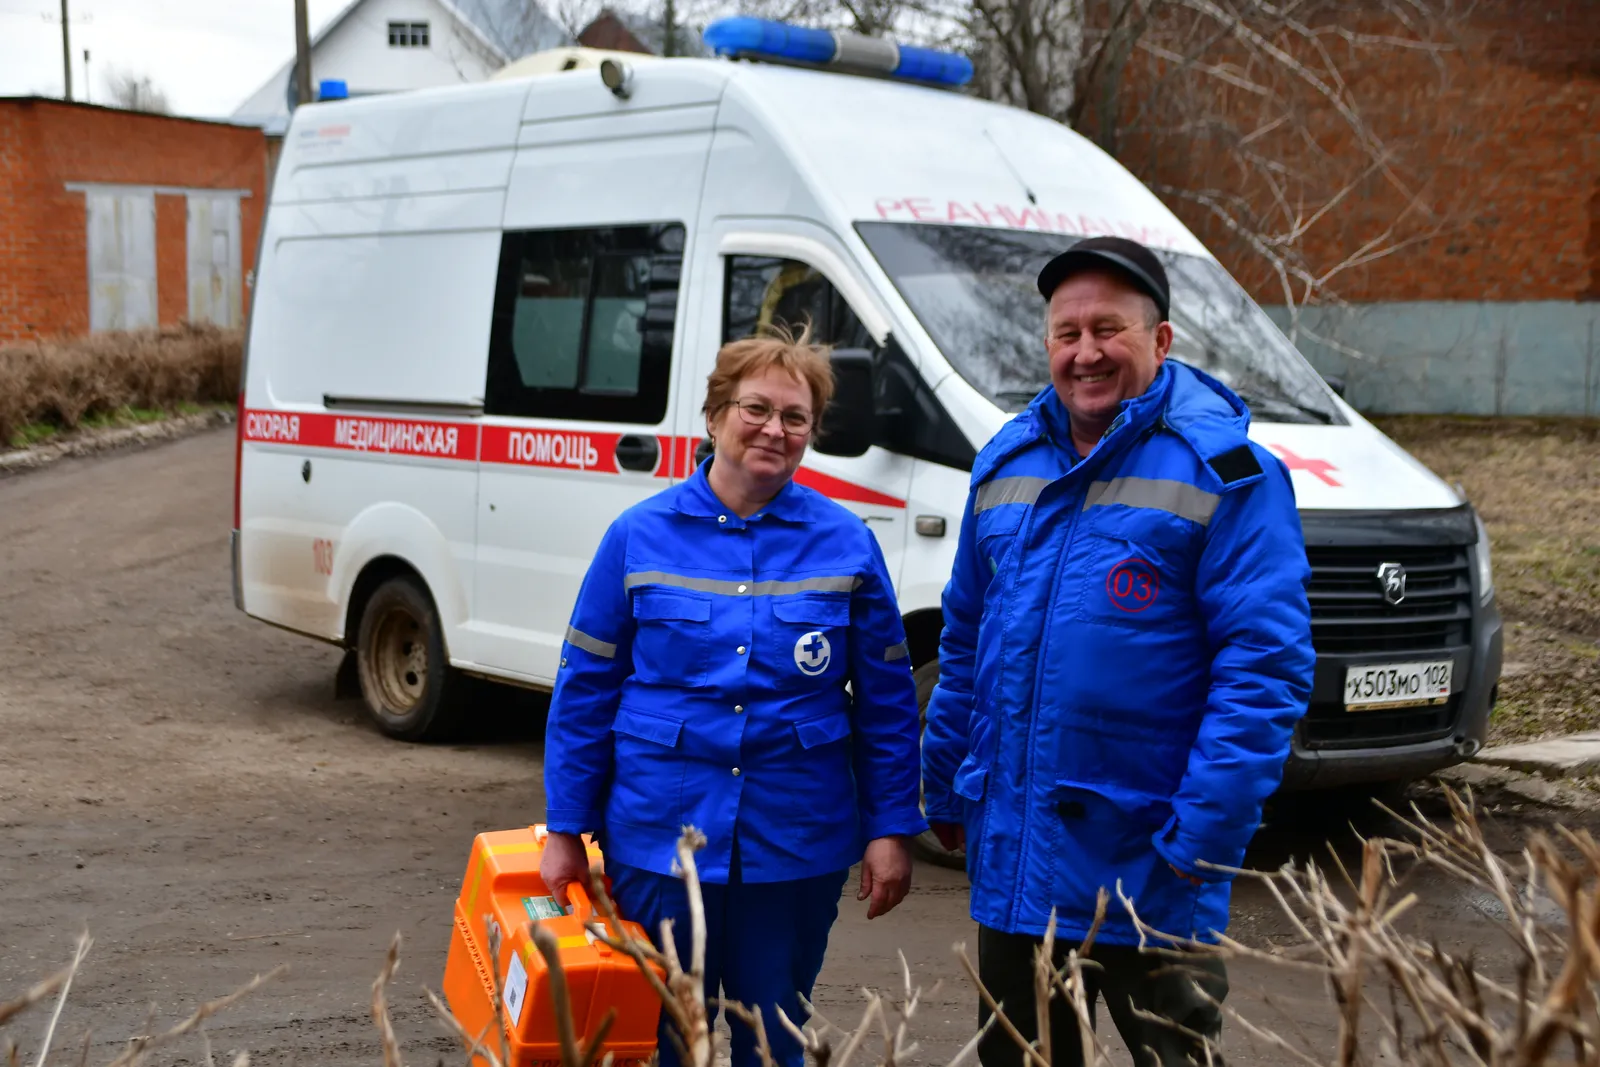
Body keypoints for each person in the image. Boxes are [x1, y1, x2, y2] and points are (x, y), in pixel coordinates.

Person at [921, 237, 1315, 1066]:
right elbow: (966, 642)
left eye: (1109, 329)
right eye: (1067, 333)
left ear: (1161, 341)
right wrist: (944, 787)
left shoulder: (1229, 474)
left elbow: (1264, 673)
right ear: (1046, 344)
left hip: (1153, 873)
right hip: (1019, 860)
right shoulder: (1004, 463)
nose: (1086, 351)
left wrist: (1198, 840)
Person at [541, 325, 927, 1067]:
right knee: (658, 1037)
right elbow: (584, 690)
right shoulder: (637, 536)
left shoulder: (847, 543)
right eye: (756, 408)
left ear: (812, 434)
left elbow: (884, 702)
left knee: (772, 1035)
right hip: (659, 844)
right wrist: (566, 826)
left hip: (794, 847)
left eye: (795, 417)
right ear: (715, 413)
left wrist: (890, 827)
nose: (774, 429)